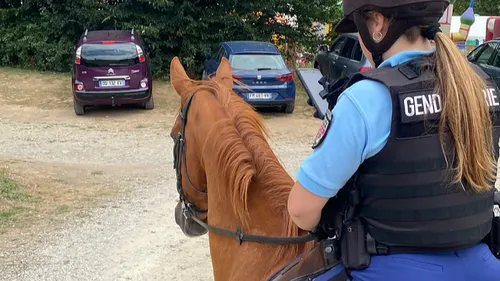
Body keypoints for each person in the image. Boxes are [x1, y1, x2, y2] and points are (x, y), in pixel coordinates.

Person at [287, 0, 500, 280]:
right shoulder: (482, 86)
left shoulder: (366, 98)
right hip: (483, 264)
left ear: (377, 24)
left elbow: (301, 210)